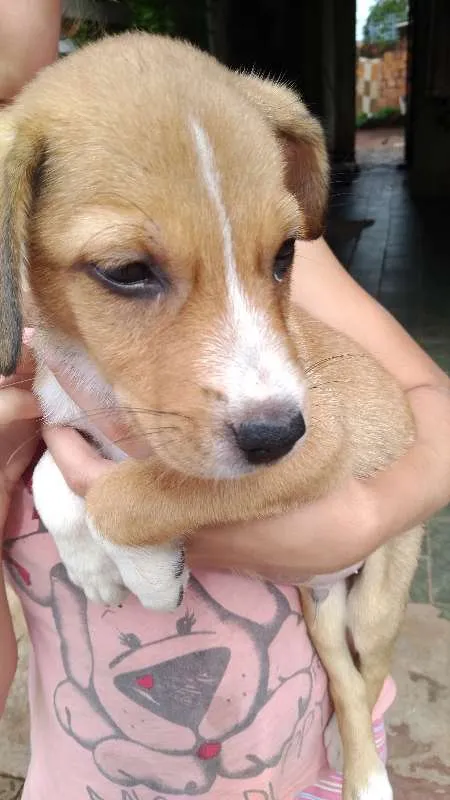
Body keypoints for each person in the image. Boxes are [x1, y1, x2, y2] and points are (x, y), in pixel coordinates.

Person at [1, 2, 450, 798]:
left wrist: (361, 517)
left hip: (302, 764)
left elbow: (418, 404)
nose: (262, 385)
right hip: (92, 775)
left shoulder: (228, 193)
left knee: (356, 637)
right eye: (131, 272)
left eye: (278, 255)